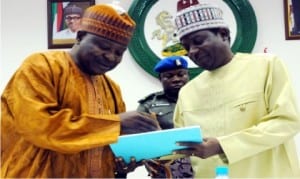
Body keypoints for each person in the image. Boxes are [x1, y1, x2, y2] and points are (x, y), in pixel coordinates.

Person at [1, 4, 161, 178]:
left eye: (119, 52)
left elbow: (103, 143)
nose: (111, 57)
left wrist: (120, 163)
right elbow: (40, 128)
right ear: (80, 36)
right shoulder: (41, 66)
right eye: (104, 47)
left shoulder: (111, 88)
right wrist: (116, 124)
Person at [171, 0, 300, 178]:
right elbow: (183, 147)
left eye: (198, 41)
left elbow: (286, 122)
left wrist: (222, 145)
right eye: (186, 48)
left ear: (223, 34)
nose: (192, 51)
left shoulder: (266, 66)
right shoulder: (187, 93)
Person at [137, 56, 193, 178]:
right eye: (169, 76)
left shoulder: (202, 99)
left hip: (201, 162)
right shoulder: (149, 104)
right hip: (165, 167)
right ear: (160, 79)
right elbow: (139, 139)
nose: (176, 79)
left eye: (181, 74)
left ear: (188, 75)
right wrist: (148, 160)